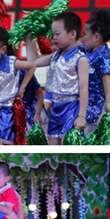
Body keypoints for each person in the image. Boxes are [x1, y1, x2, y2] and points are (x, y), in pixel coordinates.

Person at [26, 11, 89, 145]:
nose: (53, 38)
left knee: (68, 147)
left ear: (72, 34)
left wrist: (81, 116)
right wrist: (29, 36)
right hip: (55, 108)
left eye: (57, 34)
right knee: (53, 147)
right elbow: (33, 61)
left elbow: (84, 89)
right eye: (53, 34)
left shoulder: (80, 58)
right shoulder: (56, 55)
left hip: (71, 107)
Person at [81, 10, 110, 135]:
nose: (82, 38)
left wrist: (108, 103)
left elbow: (106, 80)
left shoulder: (104, 56)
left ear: (96, 37)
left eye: (84, 34)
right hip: (82, 100)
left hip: (96, 103)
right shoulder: (86, 50)